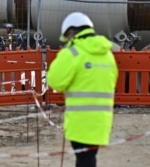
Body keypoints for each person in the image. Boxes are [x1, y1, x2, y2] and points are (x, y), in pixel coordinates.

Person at [47, 12, 118, 167]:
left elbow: (54, 81)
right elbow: (112, 81)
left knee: (84, 161)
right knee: (88, 159)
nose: (67, 41)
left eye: (67, 38)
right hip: (101, 121)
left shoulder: (73, 52)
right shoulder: (107, 54)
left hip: (79, 122)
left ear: (71, 32)